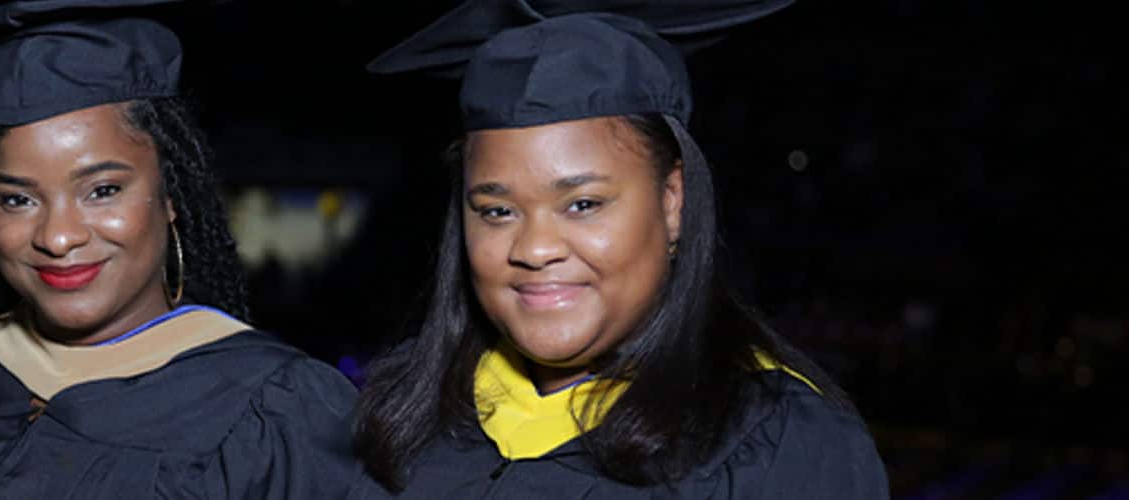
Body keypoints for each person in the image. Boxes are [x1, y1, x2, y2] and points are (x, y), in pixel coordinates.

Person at [351, 1, 889, 498]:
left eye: (583, 204)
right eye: (497, 211)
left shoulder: (776, 446)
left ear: (672, 201)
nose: (535, 249)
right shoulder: (406, 417)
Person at [0, 2, 360, 498]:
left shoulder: (280, 409)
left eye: (103, 190)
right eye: (17, 199)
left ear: (170, 195)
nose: (58, 237)